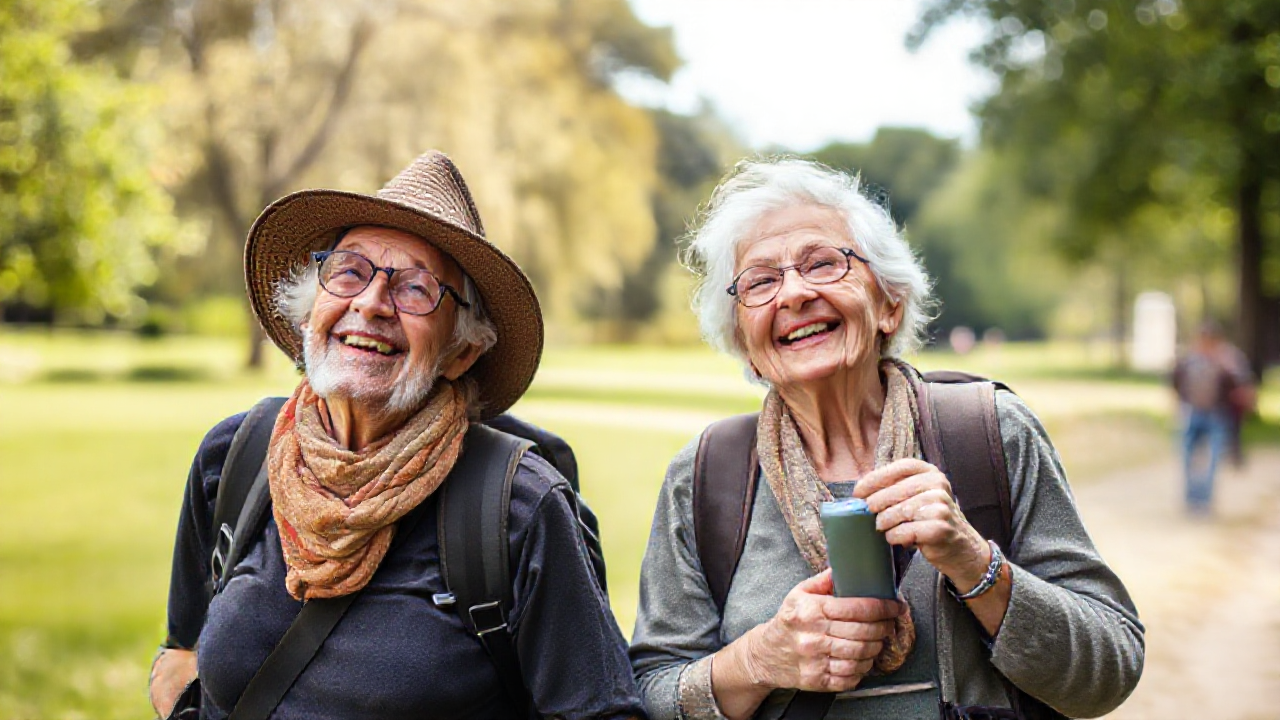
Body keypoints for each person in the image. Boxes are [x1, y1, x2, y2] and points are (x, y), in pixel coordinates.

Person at [629, 158, 1144, 719]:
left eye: (822, 263)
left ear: (889, 304)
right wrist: (757, 660)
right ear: (744, 343)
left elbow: (1110, 669)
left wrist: (974, 563)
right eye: (761, 281)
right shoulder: (705, 476)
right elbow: (650, 693)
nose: (793, 294)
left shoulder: (990, 431)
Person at [148, 151, 644, 719]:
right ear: (311, 314)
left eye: (414, 289)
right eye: (350, 271)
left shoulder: (519, 508)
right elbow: (182, 654)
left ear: (461, 352)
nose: (371, 304)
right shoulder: (235, 457)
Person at [1172, 321, 1256, 513]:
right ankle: (1192, 498)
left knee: (1213, 458)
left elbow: (1242, 385)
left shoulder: (1229, 359)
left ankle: (1205, 501)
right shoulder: (1189, 359)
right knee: (1187, 455)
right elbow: (1176, 380)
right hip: (1192, 412)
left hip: (1217, 414)